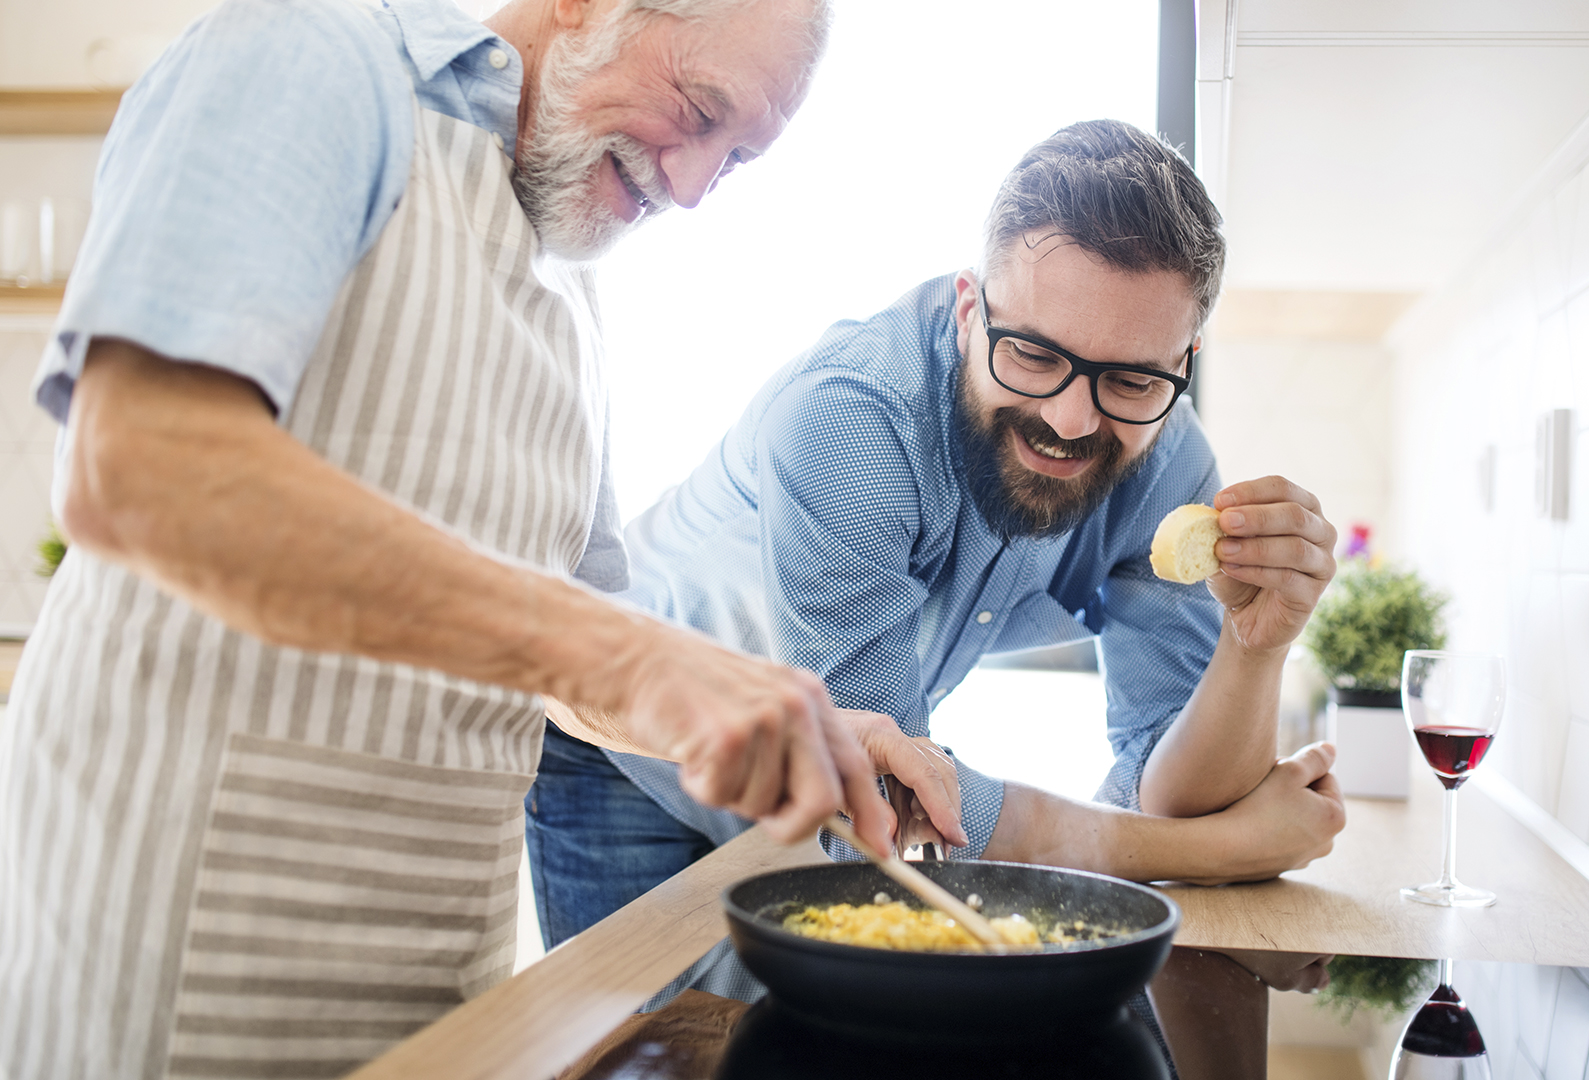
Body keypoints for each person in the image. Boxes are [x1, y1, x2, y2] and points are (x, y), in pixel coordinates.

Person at [0, 0, 925, 1076]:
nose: (687, 186)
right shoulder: (312, 59)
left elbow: (572, 664)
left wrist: (781, 720)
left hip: (441, 994)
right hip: (161, 967)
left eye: (733, 163)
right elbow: (142, 469)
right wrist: (627, 652)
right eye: (699, 110)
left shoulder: (573, 288)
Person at [526, 120, 1349, 1067]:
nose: (1071, 418)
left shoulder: (1170, 460)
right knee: (653, 1061)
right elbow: (898, 803)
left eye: (1128, 377)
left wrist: (1257, 646)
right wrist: (1231, 853)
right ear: (970, 308)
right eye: (1033, 354)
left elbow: (1171, 786)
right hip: (629, 764)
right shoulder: (850, 418)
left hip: (828, 786)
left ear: (1184, 360)